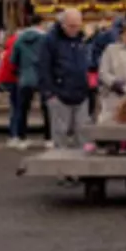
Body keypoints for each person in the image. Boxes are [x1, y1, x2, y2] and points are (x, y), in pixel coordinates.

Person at [39, 9, 94, 151]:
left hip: (81, 93)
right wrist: (50, 93)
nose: (74, 29)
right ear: (63, 24)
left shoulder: (82, 40)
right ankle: (61, 168)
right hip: (59, 92)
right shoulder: (50, 40)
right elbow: (44, 67)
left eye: (77, 25)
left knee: (83, 133)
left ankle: (81, 167)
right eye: (71, 26)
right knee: (60, 133)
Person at [8, 24, 50, 149]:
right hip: (42, 77)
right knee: (46, 109)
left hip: (25, 78)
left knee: (22, 109)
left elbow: (13, 60)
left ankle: (22, 138)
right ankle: (48, 137)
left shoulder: (19, 40)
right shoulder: (45, 39)